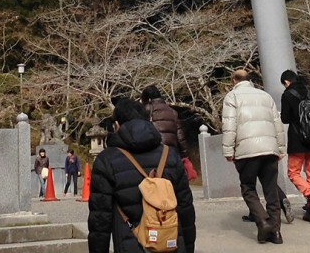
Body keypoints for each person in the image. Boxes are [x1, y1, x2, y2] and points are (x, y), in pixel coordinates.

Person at [88, 97, 196, 253]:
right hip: (171, 244)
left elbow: (100, 221)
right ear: (147, 121)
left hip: (131, 245)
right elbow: (186, 209)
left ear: (117, 125)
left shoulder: (106, 160)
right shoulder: (170, 155)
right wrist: (189, 247)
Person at [222, 68, 287, 245]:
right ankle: (276, 232)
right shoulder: (265, 96)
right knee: (271, 190)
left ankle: (263, 222)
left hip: (246, 151)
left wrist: (228, 151)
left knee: (248, 187)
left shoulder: (232, 97)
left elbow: (229, 125)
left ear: (234, 80)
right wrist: (281, 148)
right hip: (270, 149)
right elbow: (277, 123)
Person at [279, 70, 310, 223]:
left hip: (297, 140)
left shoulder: (287, 94)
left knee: (293, 173)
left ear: (286, 82)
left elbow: (285, 119)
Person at [140, 85, 190, 159]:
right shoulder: (173, 112)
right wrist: (186, 156)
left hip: (152, 155)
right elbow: (180, 138)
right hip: (171, 155)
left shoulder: (144, 111)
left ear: (148, 99)